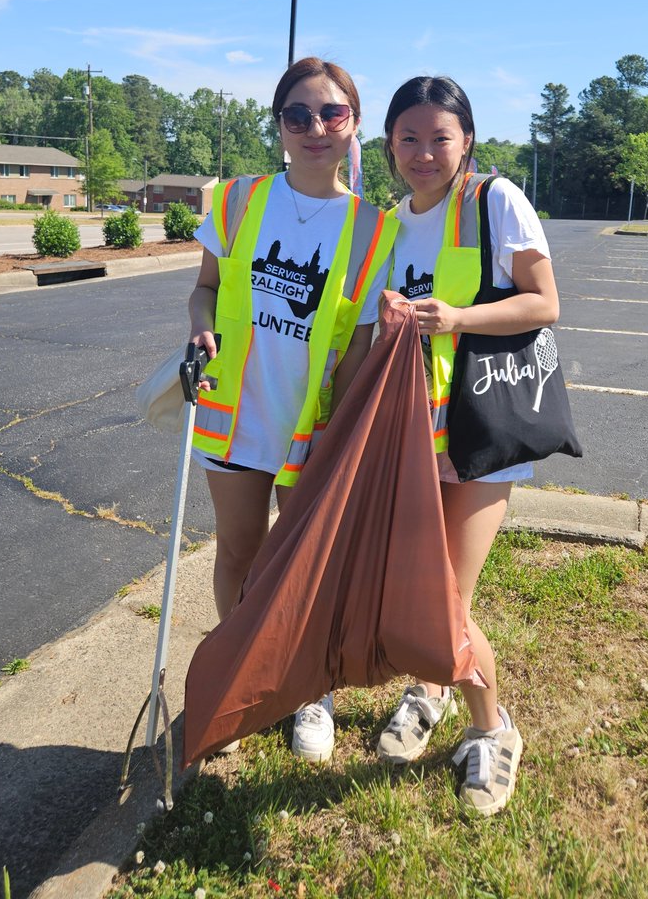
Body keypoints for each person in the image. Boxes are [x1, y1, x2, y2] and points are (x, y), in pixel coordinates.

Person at [187, 57, 397, 764]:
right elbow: (205, 290)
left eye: (331, 113)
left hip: (310, 427)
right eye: (297, 115)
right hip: (231, 414)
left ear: (354, 124)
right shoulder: (237, 199)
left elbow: (363, 346)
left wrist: (344, 437)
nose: (315, 127)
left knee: (306, 562)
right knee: (240, 552)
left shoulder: (375, 229)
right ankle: (244, 681)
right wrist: (200, 327)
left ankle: (312, 691)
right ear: (278, 125)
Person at [377, 75, 560, 817]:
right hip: (415, 428)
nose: (424, 153)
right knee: (438, 582)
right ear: (388, 144)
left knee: (441, 596)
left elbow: (545, 302)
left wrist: (456, 318)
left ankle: (493, 731)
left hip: (479, 428)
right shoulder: (390, 221)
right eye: (409, 138)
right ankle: (428, 689)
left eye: (439, 137)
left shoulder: (495, 200)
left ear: (467, 141)